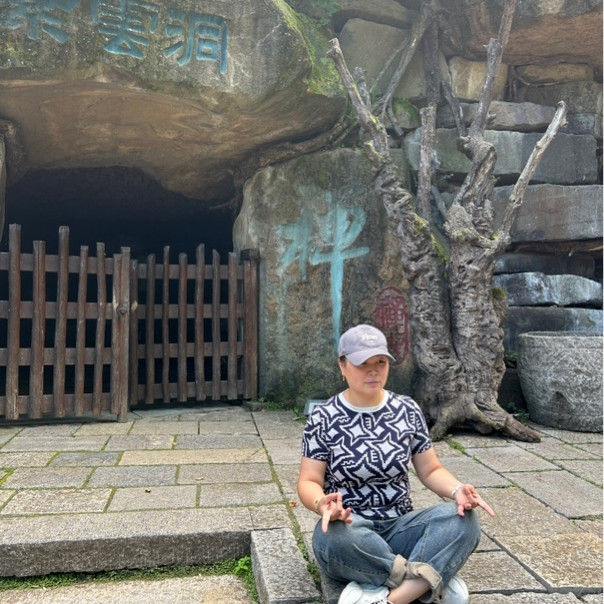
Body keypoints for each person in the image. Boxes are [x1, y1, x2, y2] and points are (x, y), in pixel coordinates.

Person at [297, 324, 495, 604]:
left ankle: (390, 597)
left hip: (402, 526)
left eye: (380, 362)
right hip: (352, 527)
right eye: (362, 364)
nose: (373, 371)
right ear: (342, 366)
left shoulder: (407, 410)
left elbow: (431, 470)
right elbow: (309, 480)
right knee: (331, 539)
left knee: (463, 520)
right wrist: (321, 504)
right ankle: (428, 578)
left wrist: (457, 490)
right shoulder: (324, 417)